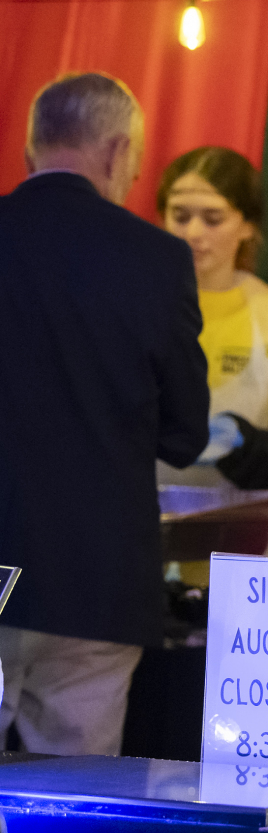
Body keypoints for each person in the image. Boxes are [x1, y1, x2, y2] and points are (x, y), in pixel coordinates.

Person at [0, 73, 209, 754]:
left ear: (31, 150)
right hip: (95, 581)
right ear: (118, 153)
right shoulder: (157, 259)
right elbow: (185, 433)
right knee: (77, 800)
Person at [156, 147, 268, 566]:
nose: (193, 232)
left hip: (254, 556)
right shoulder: (131, 309)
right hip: (151, 548)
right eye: (180, 216)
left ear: (247, 226)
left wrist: (240, 443)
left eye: (212, 218)